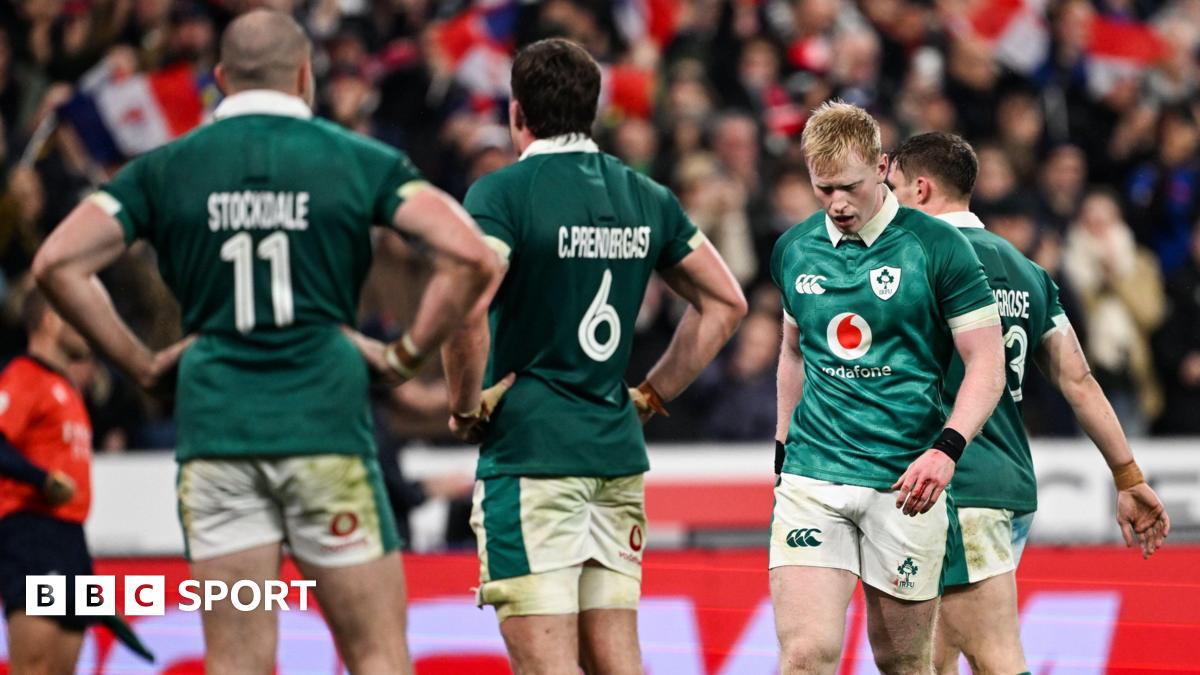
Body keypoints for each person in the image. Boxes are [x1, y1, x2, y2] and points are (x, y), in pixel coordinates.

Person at [31, 10, 497, 675]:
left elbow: (56, 262)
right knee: (377, 653)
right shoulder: (357, 159)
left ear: (221, 78)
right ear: (305, 75)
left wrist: (142, 363)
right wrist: (404, 356)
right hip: (326, 433)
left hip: (217, 438)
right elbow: (470, 255)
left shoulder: (165, 168)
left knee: (237, 661)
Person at [441, 38, 747, 674]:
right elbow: (726, 303)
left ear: (517, 113)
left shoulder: (502, 194)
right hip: (614, 455)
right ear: (594, 110)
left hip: (532, 455)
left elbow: (466, 308)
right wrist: (652, 394)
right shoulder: (645, 195)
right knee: (617, 663)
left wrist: (465, 406)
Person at [889, 131, 1170, 675]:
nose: (887, 203)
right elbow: (1078, 379)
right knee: (929, 658)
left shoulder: (917, 261)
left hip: (957, 488)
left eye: (893, 188)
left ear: (920, 189)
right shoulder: (1025, 269)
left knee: (992, 654)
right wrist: (1128, 475)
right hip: (1006, 483)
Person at [769, 101, 1005, 674]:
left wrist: (947, 449)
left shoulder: (938, 246)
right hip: (813, 475)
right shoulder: (793, 248)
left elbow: (987, 363)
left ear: (881, 167)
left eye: (849, 186)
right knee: (805, 654)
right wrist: (782, 447)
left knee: (903, 661)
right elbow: (793, 352)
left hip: (905, 482)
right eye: (823, 188)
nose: (837, 204)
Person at [0, 288, 92, 675]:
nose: (86, 326)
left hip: (73, 540)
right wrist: (42, 480)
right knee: (35, 668)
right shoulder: (24, 376)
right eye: (75, 316)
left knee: (64, 668)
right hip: (33, 533)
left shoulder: (67, 387)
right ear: (50, 321)